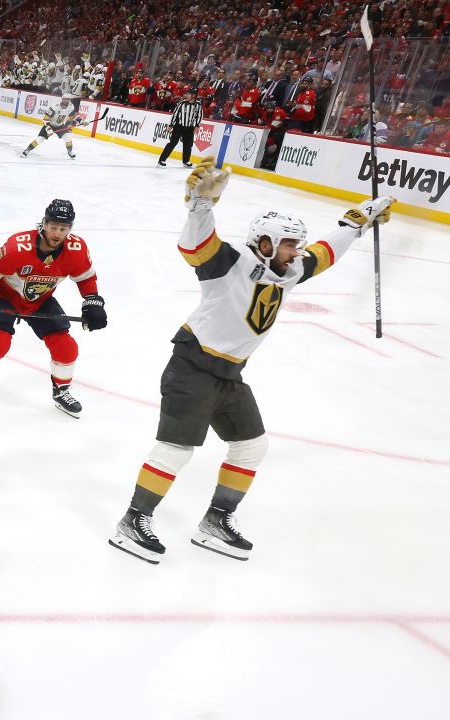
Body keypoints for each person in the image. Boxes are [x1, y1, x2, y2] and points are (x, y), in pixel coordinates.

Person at [108, 157, 395, 564]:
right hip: (192, 366)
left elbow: (324, 254)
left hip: (229, 375)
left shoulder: (287, 269)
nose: (296, 252)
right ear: (264, 242)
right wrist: (200, 205)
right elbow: (194, 246)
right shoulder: (230, 263)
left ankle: (215, 521)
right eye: (289, 243)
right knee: (175, 449)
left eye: (296, 244)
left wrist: (357, 222)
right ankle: (132, 521)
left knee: (251, 447)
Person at [0, 199, 105, 417]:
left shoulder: (76, 249)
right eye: (53, 227)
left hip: (40, 300)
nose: (57, 233)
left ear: (70, 229)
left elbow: (85, 278)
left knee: (66, 346)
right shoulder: (19, 246)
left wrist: (92, 301)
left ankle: (61, 390)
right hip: (5, 296)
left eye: (63, 229)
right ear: (43, 223)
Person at [20, 93, 82, 159]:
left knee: (68, 138)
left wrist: (81, 121)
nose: (65, 100)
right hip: (49, 125)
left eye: (67, 99)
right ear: (62, 99)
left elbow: (73, 116)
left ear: (69, 100)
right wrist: (49, 129)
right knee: (39, 139)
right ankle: (27, 150)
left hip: (60, 126)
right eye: (64, 99)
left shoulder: (71, 106)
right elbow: (45, 119)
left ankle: (70, 152)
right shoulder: (55, 107)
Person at [158, 86, 203, 167]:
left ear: (193, 95)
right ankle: (161, 160)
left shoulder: (198, 105)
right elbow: (174, 114)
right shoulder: (182, 103)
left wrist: (197, 126)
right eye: (187, 94)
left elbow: (199, 116)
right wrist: (171, 125)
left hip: (189, 128)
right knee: (172, 143)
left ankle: (186, 161)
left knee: (188, 145)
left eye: (188, 94)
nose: (186, 95)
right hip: (179, 126)